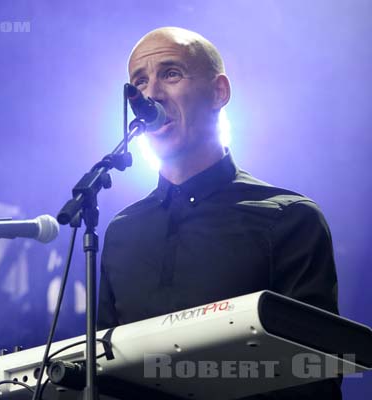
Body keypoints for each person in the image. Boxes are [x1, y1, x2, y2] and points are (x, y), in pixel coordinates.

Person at [97, 27, 341, 399]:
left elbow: (315, 374)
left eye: (171, 73)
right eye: (139, 82)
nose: (151, 94)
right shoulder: (122, 231)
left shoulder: (290, 218)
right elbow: (102, 375)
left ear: (219, 92)